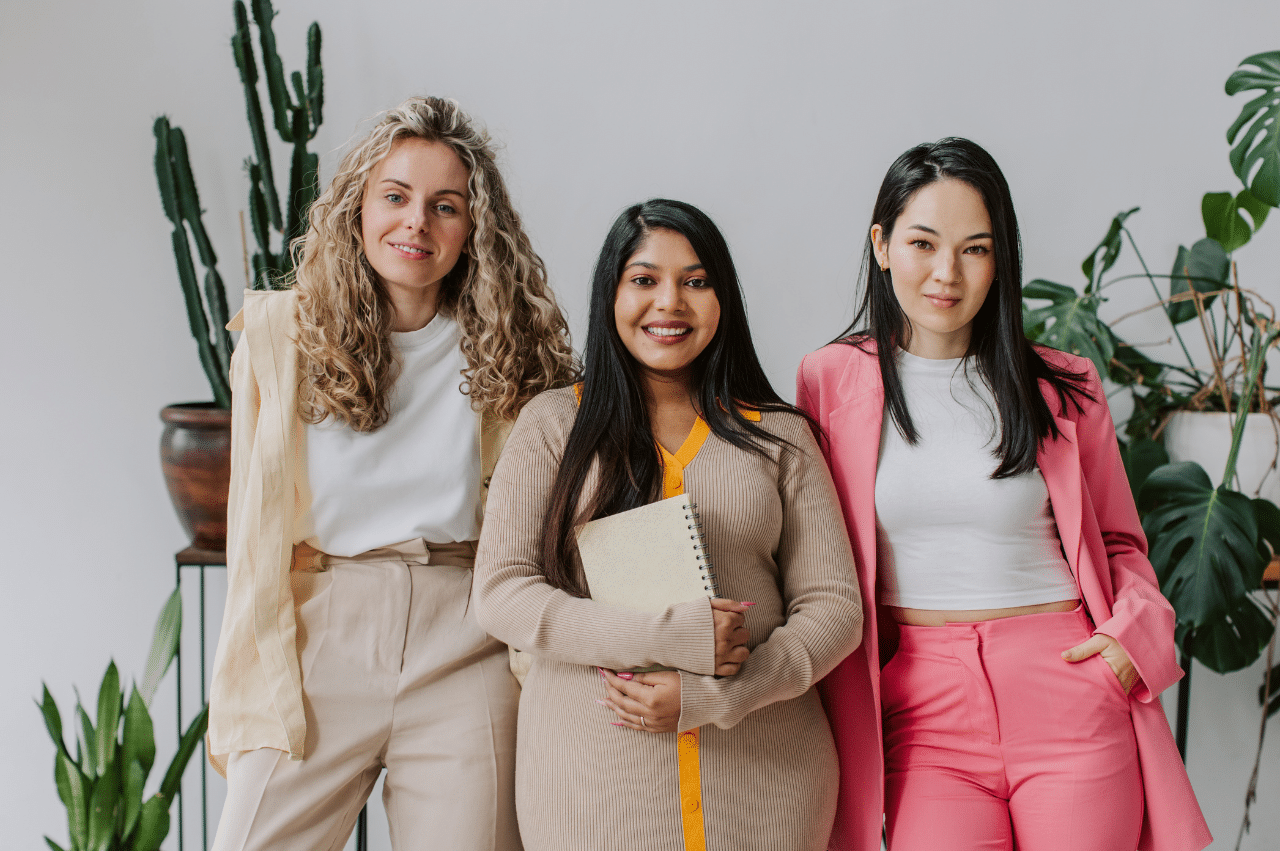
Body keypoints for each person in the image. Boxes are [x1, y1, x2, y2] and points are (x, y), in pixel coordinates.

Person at [798, 138, 1212, 851]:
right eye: (923, 243)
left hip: (1066, 686)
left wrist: (1126, 644)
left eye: (975, 248)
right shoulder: (830, 380)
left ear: (1001, 259)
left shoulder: (1062, 382)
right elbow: (809, 538)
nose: (946, 273)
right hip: (921, 708)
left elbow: (1119, 542)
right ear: (882, 244)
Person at [206, 95, 576, 851]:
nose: (417, 224)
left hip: (464, 635)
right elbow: (250, 525)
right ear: (356, 208)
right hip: (317, 634)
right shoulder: (281, 339)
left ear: (475, 228)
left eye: (445, 206)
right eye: (396, 197)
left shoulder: (514, 353)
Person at [473, 199, 863, 851]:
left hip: (767, 781)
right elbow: (501, 591)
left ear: (723, 297)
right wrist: (669, 636)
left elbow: (835, 606)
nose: (670, 302)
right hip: (592, 784)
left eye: (696, 280)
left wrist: (721, 694)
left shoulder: (782, 436)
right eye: (645, 279)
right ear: (612, 294)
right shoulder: (551, 425)